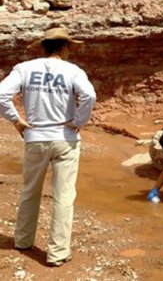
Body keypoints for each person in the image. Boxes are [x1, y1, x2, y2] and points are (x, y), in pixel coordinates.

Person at [0, 27, 96, 267]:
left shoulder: (24, 69)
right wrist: (78, 122)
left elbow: (1, 94)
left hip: (35, 137)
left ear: (42, 47)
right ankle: (57, 253)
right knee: (63, 196)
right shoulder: (73, 71)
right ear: (64, 47)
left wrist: (17, 120)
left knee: (30, 190)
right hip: (66, 138)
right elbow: (89, 96)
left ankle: (22, 240)